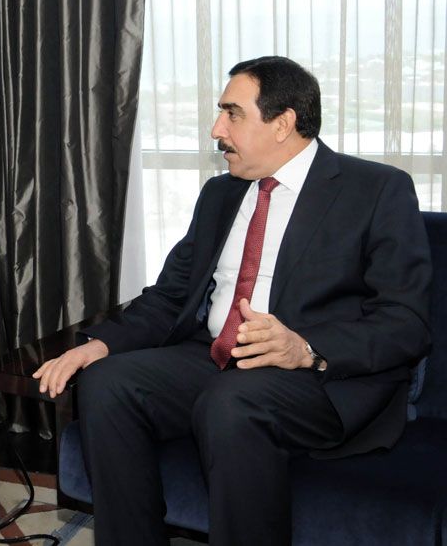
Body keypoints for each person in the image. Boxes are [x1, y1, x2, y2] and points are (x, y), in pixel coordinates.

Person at [33, 56, 431, 546]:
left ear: (283, 123)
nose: (216, 130)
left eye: (232, 114)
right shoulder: (220, 194)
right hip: (217, 357)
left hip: (318, 379)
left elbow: (405, 322)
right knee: (108, 381)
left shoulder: (376, 189)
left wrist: (305, 348)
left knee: (232, 401)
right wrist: (101, 345)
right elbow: (171, 295)